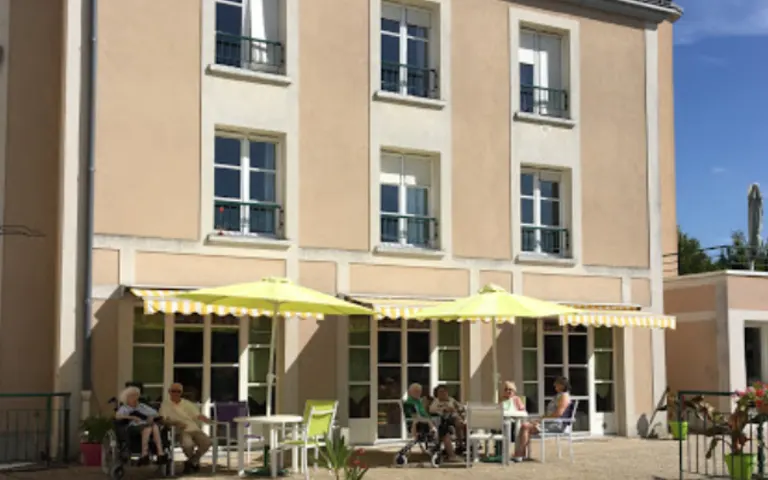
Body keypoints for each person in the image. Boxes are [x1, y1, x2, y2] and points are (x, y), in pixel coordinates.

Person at [512, 376, 572, 462]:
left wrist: (542, 420)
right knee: (525, 425)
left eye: (556, 384)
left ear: (562, 385)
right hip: (549, 422)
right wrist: (539, 420)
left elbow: (558, 414)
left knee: (525, 427)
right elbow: (550, 413)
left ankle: (520, 454)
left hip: (556, 425)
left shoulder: (564, 397)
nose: (554, 385)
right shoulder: (558, 396)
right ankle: (521, 454)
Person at [160, 383, 213, 473]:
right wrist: (174, 423)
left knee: (207, 443)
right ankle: (193, 463)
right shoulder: (165, 405)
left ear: (181, 393)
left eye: (178, 391)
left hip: (194, 428)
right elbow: (162, 420)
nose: (176, 393)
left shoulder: (187, 403)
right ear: (169, 392)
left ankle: (192, 461)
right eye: (173, 391)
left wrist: (210, 421)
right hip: (180, 429)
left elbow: (198, 415)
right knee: (188, 445)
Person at [115, 386, 167, 465]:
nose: (135, 398)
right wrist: (132, 417)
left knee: (154, 426)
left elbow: (156, 413)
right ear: (126, 398)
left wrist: (151, 417)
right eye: (132, 396)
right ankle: (146, 453)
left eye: (136, 395)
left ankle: (159, 453)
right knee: (149, 427)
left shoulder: (142, 406)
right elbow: (117, 416)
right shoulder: (124, 408)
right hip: (133, 428)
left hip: (147, 426)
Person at [429, 384, 466, 451]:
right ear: (437, 393)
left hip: (454, 418)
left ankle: (461, 444)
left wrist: (457, 409)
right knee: (457, 421)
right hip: (442, 419)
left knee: (460, 423)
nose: (442, 393)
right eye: (440, 392)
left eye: (444, 391)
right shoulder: (436, 401)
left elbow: (461, 407)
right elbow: (431, 410)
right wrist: (444, 409)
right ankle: (460, 444)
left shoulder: (451, 400)